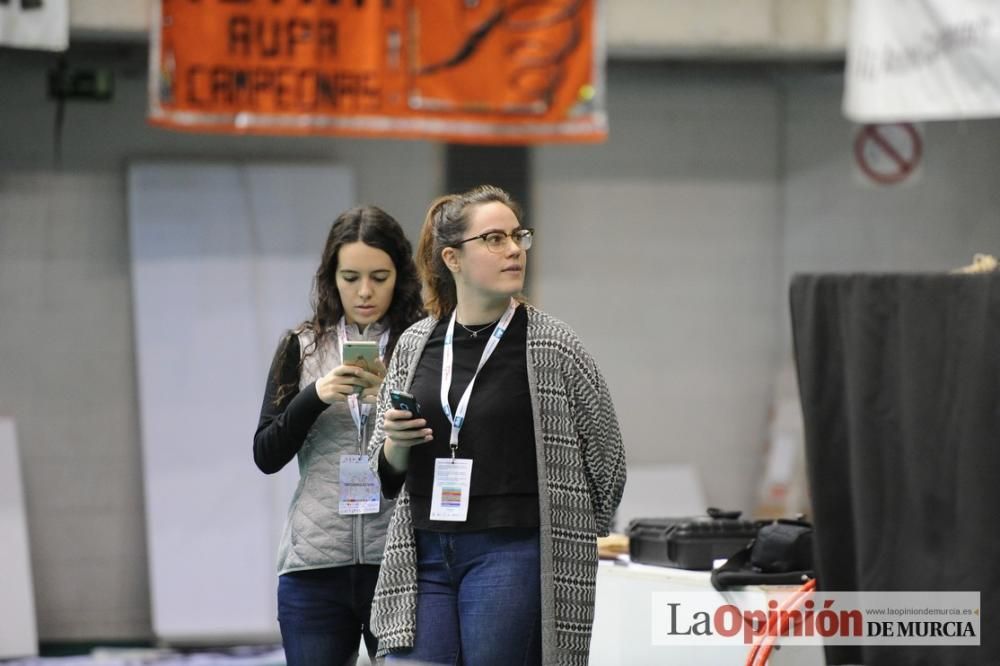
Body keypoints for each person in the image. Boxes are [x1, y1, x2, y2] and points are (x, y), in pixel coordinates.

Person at [365, 185, 627, 666]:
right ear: (453, 258)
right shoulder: (416, 343)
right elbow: (383, 473)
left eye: (517, 236)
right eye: (493, 239)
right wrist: (396, 447)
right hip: (422, 552)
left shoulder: (553, 345)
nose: (512, 250)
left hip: (510, 551)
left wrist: (569, 535)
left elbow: (607, 459)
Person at [253, 206, 424, 666]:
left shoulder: (424, 345)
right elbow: (266, 454)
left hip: (400, 563)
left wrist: (391, 394)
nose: (364, 292)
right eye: (350, 277)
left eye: (379, 276)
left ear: (400, 277)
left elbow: (448, 448)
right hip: (314, 567)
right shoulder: (301, 346)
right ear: (332, 277)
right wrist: (316, 395)